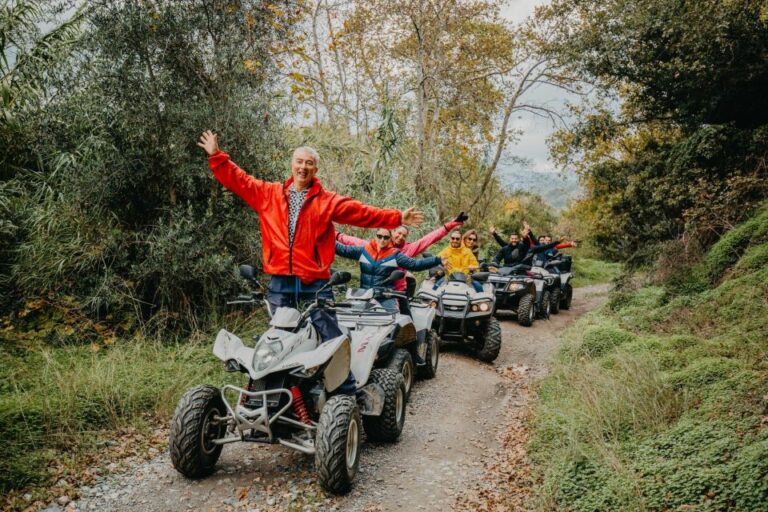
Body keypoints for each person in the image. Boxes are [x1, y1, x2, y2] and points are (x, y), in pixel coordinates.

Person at [197, 130, 425, 334]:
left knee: (329, 334)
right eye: (299, 162)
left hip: (314, 280)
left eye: (308, 163)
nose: (303, 167)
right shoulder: (269, 194)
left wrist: (397, 218)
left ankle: (344, 383)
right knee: (279, 334)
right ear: (291, 164)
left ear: (315, 169)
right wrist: (216, 156)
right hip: (280, 279)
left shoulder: (328, 201)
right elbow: (240, 181)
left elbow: (361, 213)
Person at [335, 211, 469, 301]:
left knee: (405, 323)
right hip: (368, 293)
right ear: (392, 233)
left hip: (396, 292)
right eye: (398, 233)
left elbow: (429, 239)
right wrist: (331, 233)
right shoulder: (372, 247)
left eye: (404, 235)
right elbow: (348, 242)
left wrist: (451, 224)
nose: (400, 237)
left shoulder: (407, 250)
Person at [334, 229, 444, 311]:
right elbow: (342, 249)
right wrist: (322, 234)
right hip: (363, 295)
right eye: (380, 236)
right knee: (346, 318)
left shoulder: (394, 255)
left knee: (395, 323)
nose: (382, 239)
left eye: (386, 237)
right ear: (375, 236)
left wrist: (437, 259)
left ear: (389, 239)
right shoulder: (364, 251)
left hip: (385, 297)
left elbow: (415, 264)